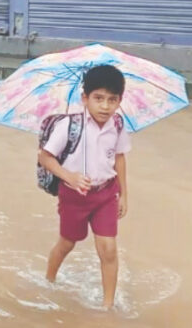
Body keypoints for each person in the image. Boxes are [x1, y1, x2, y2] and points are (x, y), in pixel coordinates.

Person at [38, 64, 130, 308]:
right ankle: (49, 279)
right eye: (98, 98)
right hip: (73, 196)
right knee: (67, 243)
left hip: (106, 194)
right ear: (85, 98)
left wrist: (123, 194)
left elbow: (120, 158)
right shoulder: (69, 125)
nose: (105, 106)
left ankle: (107, 306)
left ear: (120, 101)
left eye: (112, 100)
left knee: (108, 248)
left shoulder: (117, 125)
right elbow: (45, 157)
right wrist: (69, 176)